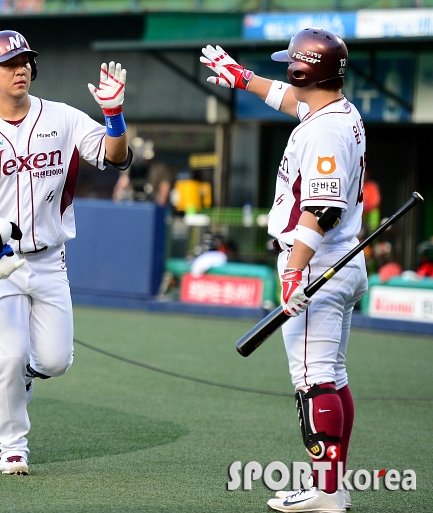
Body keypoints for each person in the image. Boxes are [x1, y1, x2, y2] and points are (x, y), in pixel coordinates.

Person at [0, 30, 131, 475]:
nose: (20, 68)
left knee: (55, 361)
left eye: (25, 60)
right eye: (8, 63)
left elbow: (116, 157)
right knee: (6, 354)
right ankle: (13, 445)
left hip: (48, 257)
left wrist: (115, 115)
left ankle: (27, 374)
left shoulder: (61, 117)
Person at [202, 29, 367, 513]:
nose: (286, 73)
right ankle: (333, 486)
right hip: (338, 260)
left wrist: (294, 273)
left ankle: (327, 491)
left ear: (303, 70)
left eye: (291, 65)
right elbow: (290, 99)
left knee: (314, 381)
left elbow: (322, 208)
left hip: (317, 262)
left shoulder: (324, 129)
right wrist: (243, 79)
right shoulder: (335, 111)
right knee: (332, 376)